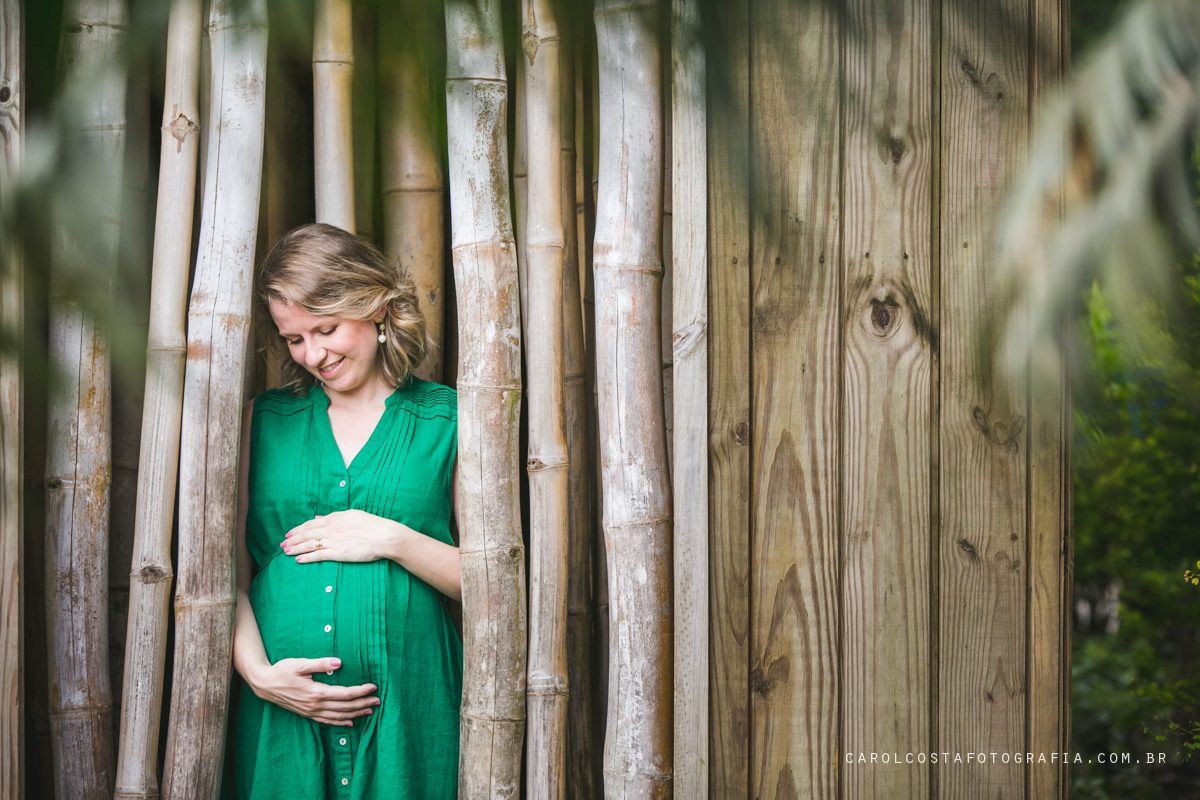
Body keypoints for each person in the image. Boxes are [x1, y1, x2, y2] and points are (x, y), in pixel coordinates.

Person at [228, 223, 461, 799]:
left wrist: (390, 539)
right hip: (281, 715)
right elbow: (224, 573)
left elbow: (492, 580)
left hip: (411, 714)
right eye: (294, 339)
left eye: (326, 329)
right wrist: (260, 675)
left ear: (376, 309)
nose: (314, 355)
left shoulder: (450, 420)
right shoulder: (262, 421)